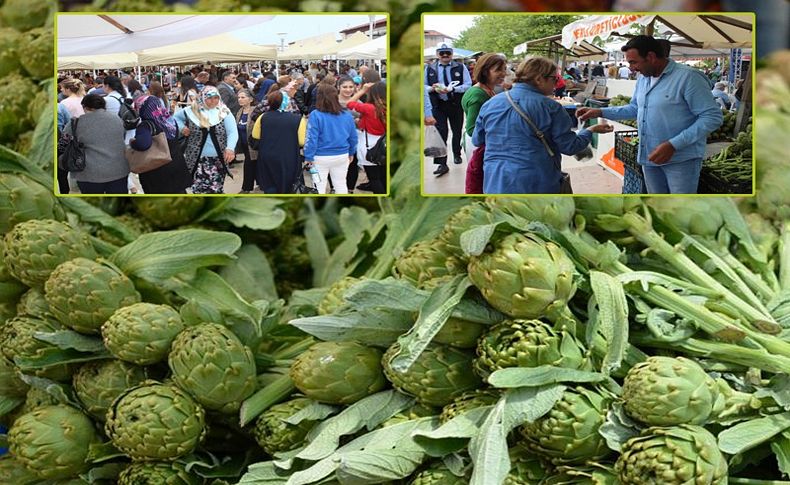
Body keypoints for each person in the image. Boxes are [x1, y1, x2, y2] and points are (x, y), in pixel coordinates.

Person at [577, 35, 723, 194]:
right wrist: (600, 111)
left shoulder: (688, 77)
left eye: (634, 62)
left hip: (681, 161)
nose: (631, 68)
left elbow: (712, 117)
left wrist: (673, 144)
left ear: (651, 57)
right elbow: (634, 108)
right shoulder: (643, 79)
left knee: (680, 208)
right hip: (649, 157)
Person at [472, 57, 614, 194]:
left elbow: (477, 140)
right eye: (554, 78)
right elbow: (570, 147)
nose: (557, 83)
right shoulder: (552, 108)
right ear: (539, 79)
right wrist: (589, 130)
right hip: (536, 182)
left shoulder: (490, 104)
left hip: (495, 181)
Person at [173, 86, 239, 194]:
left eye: (216, 97)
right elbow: (175, 118)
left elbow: (232, 132)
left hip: (218, 159)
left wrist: (230, 148)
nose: (213, 101)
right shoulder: (192, 110)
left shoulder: (223, 112)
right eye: (210, 98)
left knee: (215, 188)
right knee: (198, 189)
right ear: (203, 98)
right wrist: (182, 127)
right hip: (196, 159)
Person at [63, 94, 129, 194]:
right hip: (119, 170)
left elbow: (62, 143)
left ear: (85, 107)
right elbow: (122, 137)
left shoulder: (75, 123)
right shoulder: (117, 119)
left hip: (89, 173)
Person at [461, 53, 507, 194]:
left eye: (504, 69)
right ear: (485, 71)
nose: (503, 74)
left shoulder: (488, 90)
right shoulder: (477, 95)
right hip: (478, 146)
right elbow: (472, 130)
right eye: (498, 70)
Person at [425, 43, 472, 176]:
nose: (445, 55)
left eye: (448, 53)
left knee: (457, 130)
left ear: (452, 53)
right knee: (441, 133)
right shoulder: (429, 68)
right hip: (438, 104)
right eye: (442, 53)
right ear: (437, 54)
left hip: (455, 104)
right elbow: (424, 86)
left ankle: (457, 154)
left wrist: (454, 89)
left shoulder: (460, 67)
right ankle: (442, 163)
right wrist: (432, 88)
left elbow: (468, 85)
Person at [129, 94, 191, 194]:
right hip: (176, 165)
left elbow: (143, 144)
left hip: (158, 171)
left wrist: (132, 143)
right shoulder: (169, 120)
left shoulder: (146, 125)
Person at [303, 83, 358, 194]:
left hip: (320, 157)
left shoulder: (315, 115)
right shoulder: (346, 115)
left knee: (318, 186)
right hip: (342, 155)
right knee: (341, 184)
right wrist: (351, 152)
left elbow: (311, 138)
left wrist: (308, 156)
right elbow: (353, 137)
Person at [251, 90, 306, 194]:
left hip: (267, 156)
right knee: (288, 185)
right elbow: (302, 141)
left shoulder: (263, 117)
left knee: (269, 184)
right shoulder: (298, 119)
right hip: (289, 157)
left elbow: (255, 135)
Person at [347, 81, 387, 194]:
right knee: (384, 177)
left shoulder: (368, 108)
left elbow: (349, 103)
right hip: (385, 143)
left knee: (374, 179)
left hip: (370, 145)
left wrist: (362, 91)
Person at [235, 89, 258, 193]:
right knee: (253, 164)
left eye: (243, 97)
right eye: (239, 97)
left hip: (254, 145)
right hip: (244, 145)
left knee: (248, 165)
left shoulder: (255, 111)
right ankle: (260, 183)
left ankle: (246, 188)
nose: (240, 99)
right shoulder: (239, 112)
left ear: (251, 99)